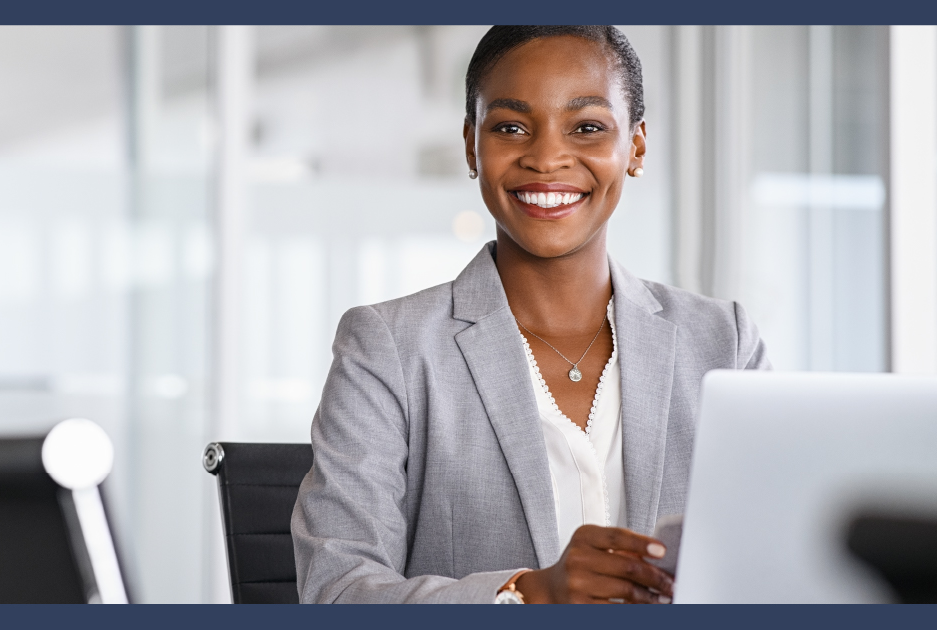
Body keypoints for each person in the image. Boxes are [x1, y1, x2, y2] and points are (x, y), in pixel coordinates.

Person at [291, 25, 769, 604]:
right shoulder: (388, 348)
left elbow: (782, 558)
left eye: (587, 127)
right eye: (511, 127)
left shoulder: (725, 343)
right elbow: (336, 590)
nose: (546, 158)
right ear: (472, 146)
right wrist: (527, 594)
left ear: (636, 147)